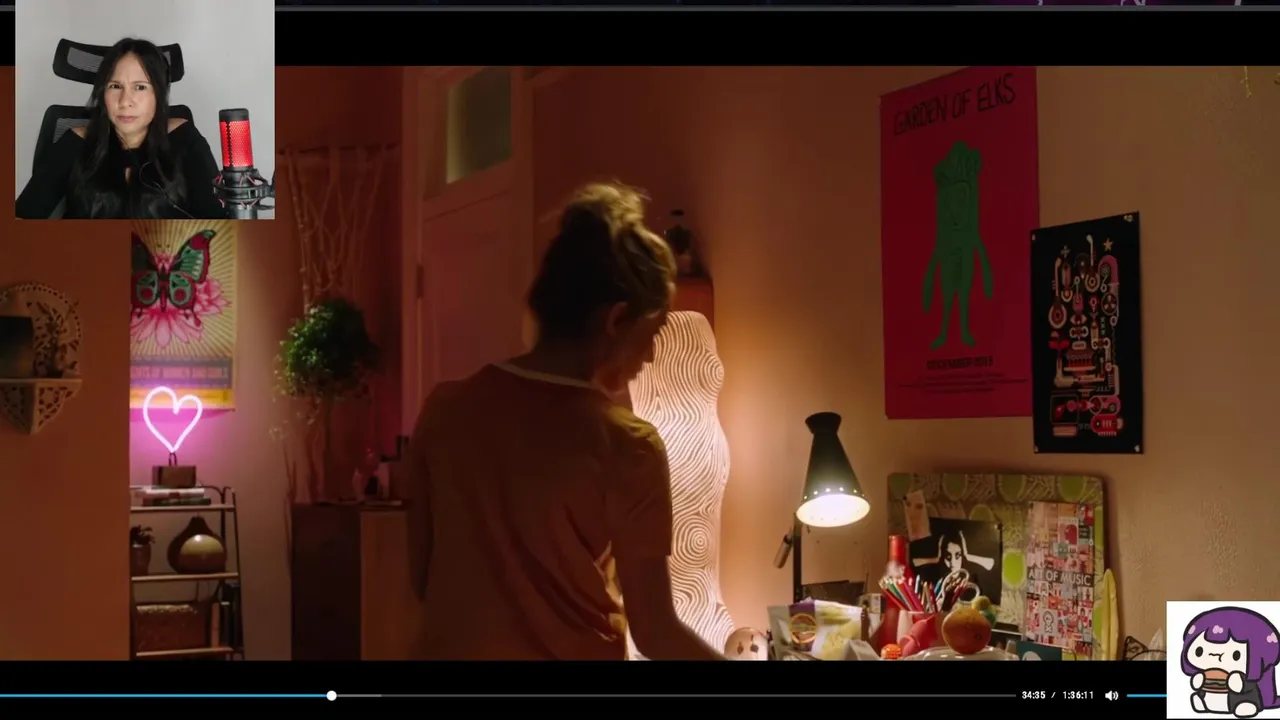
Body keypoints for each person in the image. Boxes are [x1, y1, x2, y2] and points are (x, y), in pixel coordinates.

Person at [403, 181, 725, 661]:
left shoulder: (444, 411)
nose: (652, 355)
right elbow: (656, 631)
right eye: (653, 332)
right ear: (616, 320)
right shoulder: (626, 445)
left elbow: (423, 577)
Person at [16, 38, 223, 220]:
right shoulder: (75, 142)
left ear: (159, 94)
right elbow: (21, 218)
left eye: (140, 87)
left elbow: (218, 223)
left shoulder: (183, 137)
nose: (124, 101)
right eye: (115, 86)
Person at [913, 529, 996, 595]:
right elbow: (914, 562)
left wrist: (967, 556)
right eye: (948, 557)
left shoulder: (969, 583)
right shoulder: (936, 581)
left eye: (958, 556)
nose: (953, 562)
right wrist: (936, 559)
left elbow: (990, 564)